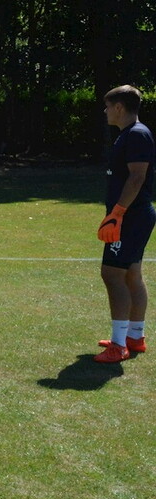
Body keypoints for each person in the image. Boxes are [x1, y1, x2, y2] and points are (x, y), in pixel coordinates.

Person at [94, 85, 156, 363]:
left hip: (131, 216)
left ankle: (119, 345)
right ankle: (134, 337)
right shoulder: (129, 134)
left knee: (112, 274)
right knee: (131, 275)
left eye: (108, 106)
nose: (105, 111)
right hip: (133, 215)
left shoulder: (137, 134)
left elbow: (137, 176)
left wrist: (117, 213)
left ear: (119, 107)